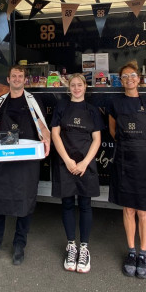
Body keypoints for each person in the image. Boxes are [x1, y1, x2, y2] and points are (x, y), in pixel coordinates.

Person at [0, 65, 51, 265]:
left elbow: (42, 126)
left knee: (25, 202)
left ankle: (19, 245)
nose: (17, 79)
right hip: (4, 156)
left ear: (25, 80)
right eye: (13, 76)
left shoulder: (33, 101)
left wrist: (47, 141)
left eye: (20, 76)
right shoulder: (0, 101)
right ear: (8, 79)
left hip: (27, 159)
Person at [108, 61, 146, 279]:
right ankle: (131, 251)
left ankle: (143, 253)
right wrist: (129, 147)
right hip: (124, 158)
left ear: (138, 79)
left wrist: (143, 150)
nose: (129, 79)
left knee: (143, 210)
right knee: (128, 209)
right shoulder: (115, 104)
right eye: (125, 77)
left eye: (132, 76)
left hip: (145, 160)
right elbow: (113, 132)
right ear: (121, 81)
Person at [50, 73, 103, 273]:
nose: (77, 88)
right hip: (65, 162)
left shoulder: (92, 110)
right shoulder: (61, 107)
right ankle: (71, 245)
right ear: (68, 87)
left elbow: (97, 139)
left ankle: (84, 248)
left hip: (86, 164)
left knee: (85, 204)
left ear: (85, 87)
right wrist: (67, 160)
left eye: (80, 85)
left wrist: (84, 163)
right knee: (67, 204)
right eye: (73, 85)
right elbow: (55, 133)